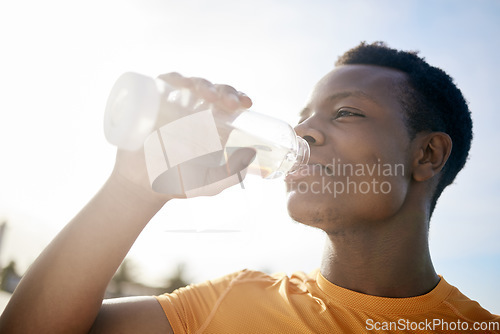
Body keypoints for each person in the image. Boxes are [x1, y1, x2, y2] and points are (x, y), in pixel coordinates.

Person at [0, 42, 498, 333]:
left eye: (345, 112)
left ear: (426, 155)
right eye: (304, 117)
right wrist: (133, 189)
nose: (304, 131)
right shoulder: (231, 304)